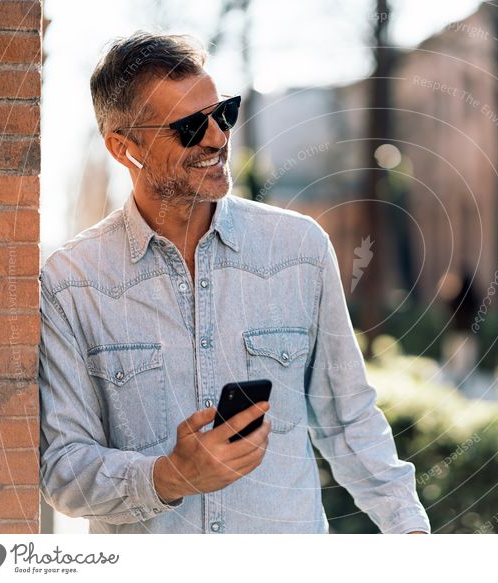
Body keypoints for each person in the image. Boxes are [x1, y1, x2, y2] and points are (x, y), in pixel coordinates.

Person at [38, 31, 430, 534]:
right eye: (188, 126)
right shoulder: (70, 284)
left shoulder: (299, 251)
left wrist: (412, 534)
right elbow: (63, 469)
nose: (217, 138)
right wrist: (168, 476)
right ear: (123, 148)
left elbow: (349, 419)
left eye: (223, 113)